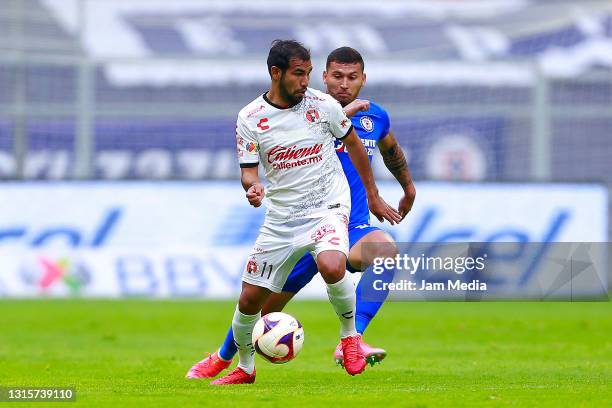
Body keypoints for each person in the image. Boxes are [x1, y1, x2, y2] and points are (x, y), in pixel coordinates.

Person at [187, 46, 415, 381]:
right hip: (291, 221)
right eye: (336, 76)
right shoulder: (311, 110)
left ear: (363, 79)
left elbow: (390, 149)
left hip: (341, 221)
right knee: (259, 305)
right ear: (325, 77)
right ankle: (223, 357)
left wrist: (407, 188)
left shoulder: (373, 117)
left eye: (352, 77)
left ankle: (353, 339)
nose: (343, 84)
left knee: (385, 252)